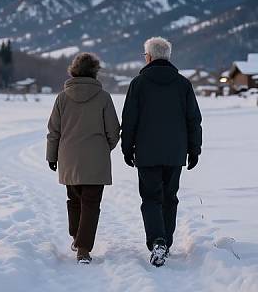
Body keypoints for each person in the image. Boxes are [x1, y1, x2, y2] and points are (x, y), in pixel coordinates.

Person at [121, 37, 202, 267]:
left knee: (151, 198)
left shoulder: (138, 84)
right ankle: (165, 240)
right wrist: (194, 150)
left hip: (147, 153)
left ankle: (158, 241)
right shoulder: (183, 84)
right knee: (170, 198)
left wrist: (127, 148)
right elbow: (193, 120)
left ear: (149, 57)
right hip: (176, 153)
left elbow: (129, 120)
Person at [46, 52, 120, 264]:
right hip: (96, 159)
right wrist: (105, 148)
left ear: (74, 71)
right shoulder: (104, 97)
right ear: (95, 72)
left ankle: (76, 238)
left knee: (74, 200)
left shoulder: (62, 98)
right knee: (91, 203)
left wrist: (52, 156)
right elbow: (114, 131)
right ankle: (83, 247)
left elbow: (54, 131)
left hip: (68, 159)